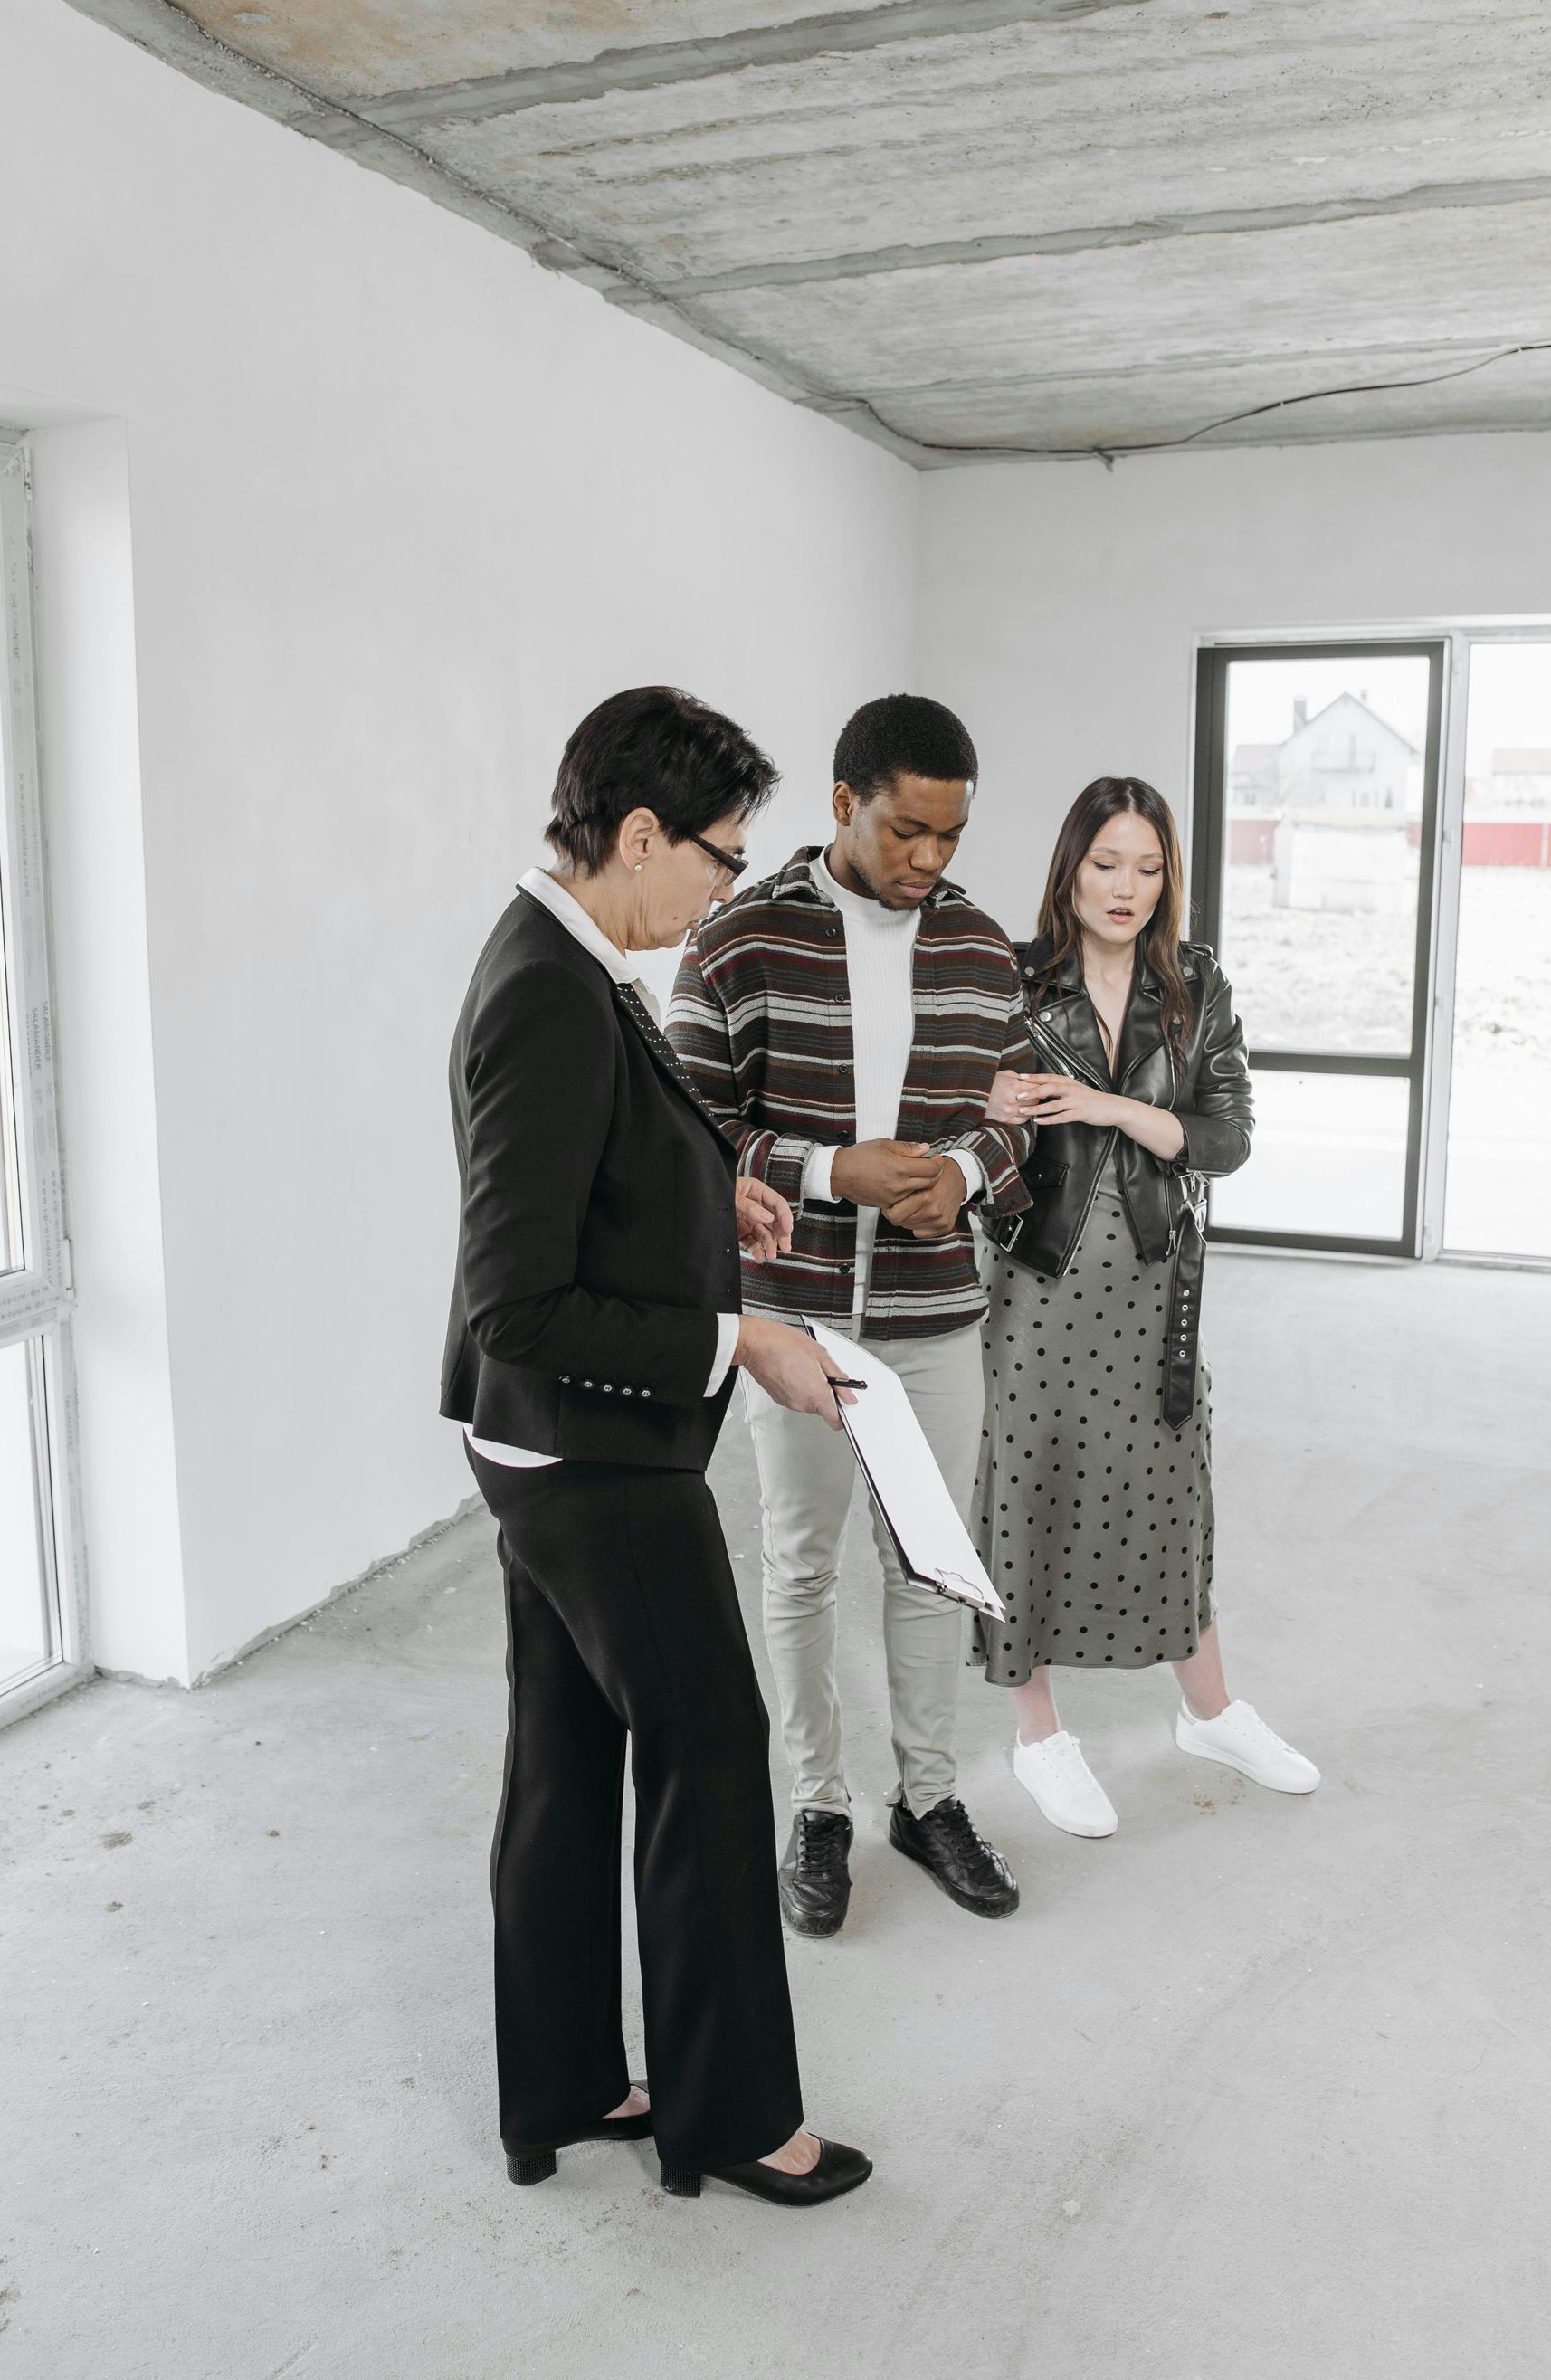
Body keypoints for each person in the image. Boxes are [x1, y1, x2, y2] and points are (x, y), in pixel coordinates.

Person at [441, 684, 871, 2208]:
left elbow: (605, 1163)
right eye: (717, 857)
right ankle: (737, 2116)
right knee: (711, 1745)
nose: (720, 892)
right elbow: (518, 1299)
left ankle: (561, 2087)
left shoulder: (566, 951)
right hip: (595, 1458)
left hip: (547, 1450)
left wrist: (715, 1204)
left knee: (567, 1762)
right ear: (640, 833)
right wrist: (734, 1338)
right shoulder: (550, 990)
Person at [669, 694, 1034, 1939]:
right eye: (907, 831)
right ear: (843, 804)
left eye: (951, 835)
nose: (930, 860)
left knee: (934, 1565)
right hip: (798, 1320)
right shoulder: (738, 936)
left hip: (938, 1313)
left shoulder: (986, 946)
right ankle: (816, 1807)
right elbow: (686, 1132)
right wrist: (833, 1172)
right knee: (803, 1565)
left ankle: (927, 1803)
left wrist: (970, 1172)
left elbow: (1017, 1112)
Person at [975, 775, 1319, 1835]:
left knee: (1170, 1491)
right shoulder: (1015, 982)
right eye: (1106, 861)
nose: (1126, 886)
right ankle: (1039, 1734)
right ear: (1071, 865)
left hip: (1156, 1280)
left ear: (1168, 877)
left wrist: (1110, 1105)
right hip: (1040, 1276)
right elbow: (953, 1110)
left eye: (1148, 865)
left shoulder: (1195, 987)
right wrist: (982, 1098)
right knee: (1030, 1484)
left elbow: (1227, 1136)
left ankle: (1209, 1711)